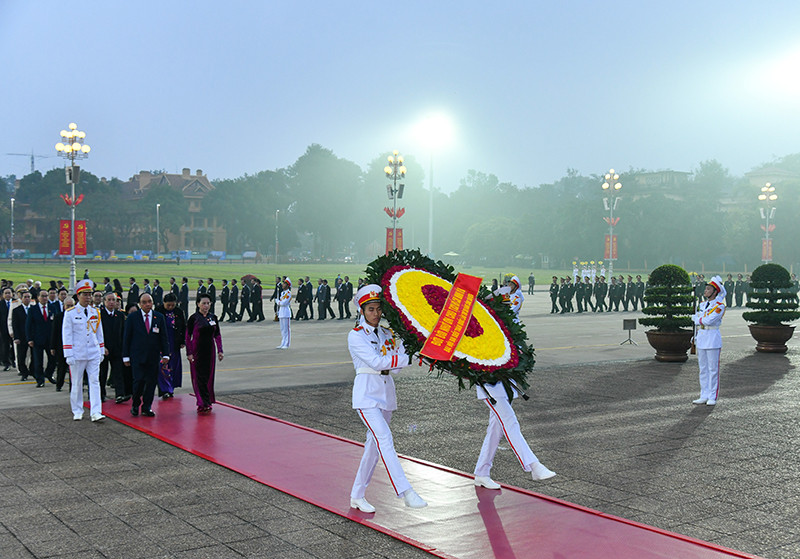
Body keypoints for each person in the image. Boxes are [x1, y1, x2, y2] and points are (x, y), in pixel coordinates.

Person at [348, 284, 427, 513]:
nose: (376, 313)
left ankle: (357, 495)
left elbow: (396, 368)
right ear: (362, 311)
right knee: (384, 438)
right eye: (370, 309)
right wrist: (406, 358)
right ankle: (406, 492)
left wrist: (409, 344)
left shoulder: (386, 334)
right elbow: (377, 362)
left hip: (386, 394)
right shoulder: (356, 336)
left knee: (373, 448)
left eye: (378, 309)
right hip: (366, 396)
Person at [63, 279, 106, 422]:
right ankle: (77, 410)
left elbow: (99, 333)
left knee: (95, 382)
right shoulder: (70, 313)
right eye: (85, 294)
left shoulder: (95, 312)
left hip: (93, 352)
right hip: (78, 353)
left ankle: (96, 411)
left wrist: (101, 350)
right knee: (77, 383)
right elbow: (67, 335)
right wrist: (68, 354)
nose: (88, 297)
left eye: (90, 294)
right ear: (78, 296)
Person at [123, 293, 170, 417]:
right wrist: (126, 356)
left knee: (151, 383)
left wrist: (166, 354)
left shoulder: (159, 317)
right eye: (144, 302)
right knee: (138, 382)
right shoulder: (133, 317)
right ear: (140, 304)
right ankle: (135, 404)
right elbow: (127, 338)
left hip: (153, 357)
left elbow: (163, 337)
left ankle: (146, 407)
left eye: (149, 301)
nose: (147, 304)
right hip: (137, 356)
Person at [691, 276, 726, 406]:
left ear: (715, 292)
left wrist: (697, 319)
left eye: (708, 289)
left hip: (712, 338)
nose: (705, 291)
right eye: (706, 289)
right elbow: (701, 320)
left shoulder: (719, 306)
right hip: (702, 337)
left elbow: (709, 320)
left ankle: (712, 396)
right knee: (703, 369)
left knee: (713, 369)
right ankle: (703, 394)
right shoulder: (702, 305)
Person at [185, 293, 223, 412]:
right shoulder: (194, 318)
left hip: (210, 351)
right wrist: (189, 352)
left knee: (208, 376)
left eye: (208, 303)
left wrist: (220, 350)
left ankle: (208, 400)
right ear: (198, 304)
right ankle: (202, 402)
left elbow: (217, 335)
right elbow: (187, 336)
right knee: (199, 377)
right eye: (203, 303)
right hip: (197, 351)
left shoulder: (213, 317)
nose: (206, 306)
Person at [155, 293, 186, 399]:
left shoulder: (179, 312)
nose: (170, 307)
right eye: (168, 305)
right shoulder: (158, 311)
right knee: (163, 367)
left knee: (173, 366)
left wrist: (182, 340)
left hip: (174, 341)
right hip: (162, 341)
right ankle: (165, 389)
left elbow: (183, 327)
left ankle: (171, 388)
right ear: (164, 303)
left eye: (173, 305)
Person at [99, 292, 126, 403]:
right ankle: (101, 394)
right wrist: (102, 346)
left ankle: (120, 394)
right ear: (104, 301)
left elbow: (123, 333)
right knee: (102, 373)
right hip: (103, 349)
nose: (111, 302)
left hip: (117, 349)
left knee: (118, 372)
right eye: (109, 300)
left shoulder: (120, 315)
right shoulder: (99, 315)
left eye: (113, 300)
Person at [26, 289, 56, 387]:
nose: (45, 298)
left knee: (52, 359)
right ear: (38, 298)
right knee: (38, 361)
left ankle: (48, 374)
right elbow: (28, 325)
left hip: (50, 339)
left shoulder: (52, 307)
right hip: (37, 339)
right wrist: (29, 339)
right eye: (42, 296)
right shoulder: (33, 309)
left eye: (46, 296)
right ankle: (40, 380)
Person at [50, 296, 74, 392]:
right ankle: (59, 384)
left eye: (72, 306)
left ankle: (72, 386)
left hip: (74, 346)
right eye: (68, 306)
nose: (70, 308)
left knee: (73, 368)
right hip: (61, 346)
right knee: (61, 367)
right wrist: (52, 347)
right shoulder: (58, 317)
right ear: (64, 306)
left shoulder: (77, 317)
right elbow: (54, 333)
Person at [11, 290, 32, 381]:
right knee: (21, 356)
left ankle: (32, 370)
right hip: (21, 337)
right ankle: (24, 373)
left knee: (34, 356)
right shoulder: (16, 310)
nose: (27, 299)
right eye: (25, 297)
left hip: (32, 336)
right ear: (21, 298)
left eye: (28, 297)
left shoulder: (34, 309)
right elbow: (15, 325)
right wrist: (16, 337)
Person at [1, 287, 15, 370]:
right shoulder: (1, 304)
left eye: (9, 293)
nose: (7, 295)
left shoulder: (16, 303)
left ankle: (14, 360)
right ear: (3, 295)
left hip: (14, 328)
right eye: (5, 293)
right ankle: (6, 363)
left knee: (14, 346)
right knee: (5, 346)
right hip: (4, 329)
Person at [276, 278, 292, 349]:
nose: (283, 285)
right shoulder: (282, 293)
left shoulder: (288, 293)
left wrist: (278, 302)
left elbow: (284, 303)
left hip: (286, 312)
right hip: (281, 312)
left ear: (287, 285)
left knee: (286, 329)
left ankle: (287, 343)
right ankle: (283, 342)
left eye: (284, 283)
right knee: (282, 329)